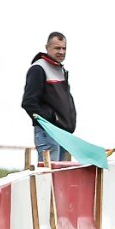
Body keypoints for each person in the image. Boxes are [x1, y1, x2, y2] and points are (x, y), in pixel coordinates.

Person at [21, 31, 76, 163]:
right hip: (48, 132)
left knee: (60, 172)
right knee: (49, 172)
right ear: (47, 48)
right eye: (57, 48)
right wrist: (49, 119)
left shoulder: (60, 70)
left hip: (63, 133)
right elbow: (29, 102)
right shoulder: (38, 69)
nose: (61, 52)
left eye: (64, 48)